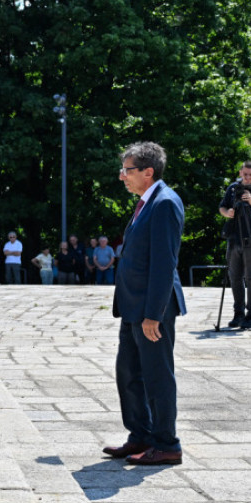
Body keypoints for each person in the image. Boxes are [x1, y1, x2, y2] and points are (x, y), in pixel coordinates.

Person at [102, 142, 186, 466]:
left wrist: (154, 315)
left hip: (153, 310)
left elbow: (164, 264)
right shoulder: (145, 202)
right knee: (129, 373)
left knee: (157, 377)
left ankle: (167, 444)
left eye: (127, 170)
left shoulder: (164, 203)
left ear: (147, 172)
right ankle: (140, 435)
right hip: (133, 307)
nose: (122, 176)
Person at [218, 161, 251, 328]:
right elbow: (222, 207)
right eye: (245, 174)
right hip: (234, 238)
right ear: (240, 172)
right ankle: (238, 313)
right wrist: (228, 213)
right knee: (235, 277)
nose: (248, 177)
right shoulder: (233, 188)